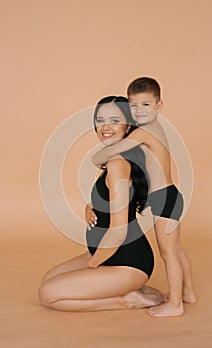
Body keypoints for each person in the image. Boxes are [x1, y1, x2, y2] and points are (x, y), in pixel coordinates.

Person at [39, 96, 166, 312]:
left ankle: (126, 299)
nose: (105, 127)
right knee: (48, 279)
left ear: (128, 126)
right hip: (107, 254)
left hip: (126, 262)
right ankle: (123, 288)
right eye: (100, 120)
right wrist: (91, 207)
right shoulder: (114, 158)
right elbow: (115, 201)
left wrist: (93, 264)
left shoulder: (118, 165)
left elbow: (118, 232)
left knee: (47, 295)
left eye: (114, 120)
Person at [91, 78, 196, 317]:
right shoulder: (147, 129)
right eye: (134, 106)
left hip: (164, 198)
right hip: (167, 196)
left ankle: (176, 304)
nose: (139, 111)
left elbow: (108, 152)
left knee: (169, 253)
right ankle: (188, 292)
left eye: (146, 105)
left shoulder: (146, 131)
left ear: (160, 106)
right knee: (177, 250)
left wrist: (95, 159)